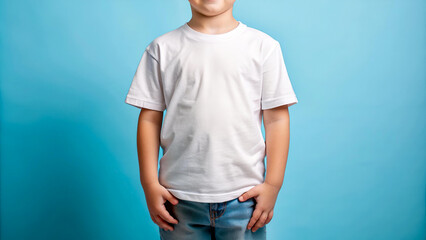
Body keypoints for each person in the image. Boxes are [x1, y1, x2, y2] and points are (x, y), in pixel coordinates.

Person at [124, 0, 298, 239]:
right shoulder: (162, 49)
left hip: (244, 197)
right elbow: (149, 118)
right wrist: (149, 183)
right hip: (178, 199)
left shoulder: (263, 47)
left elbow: (277, 119)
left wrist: (273, 185)